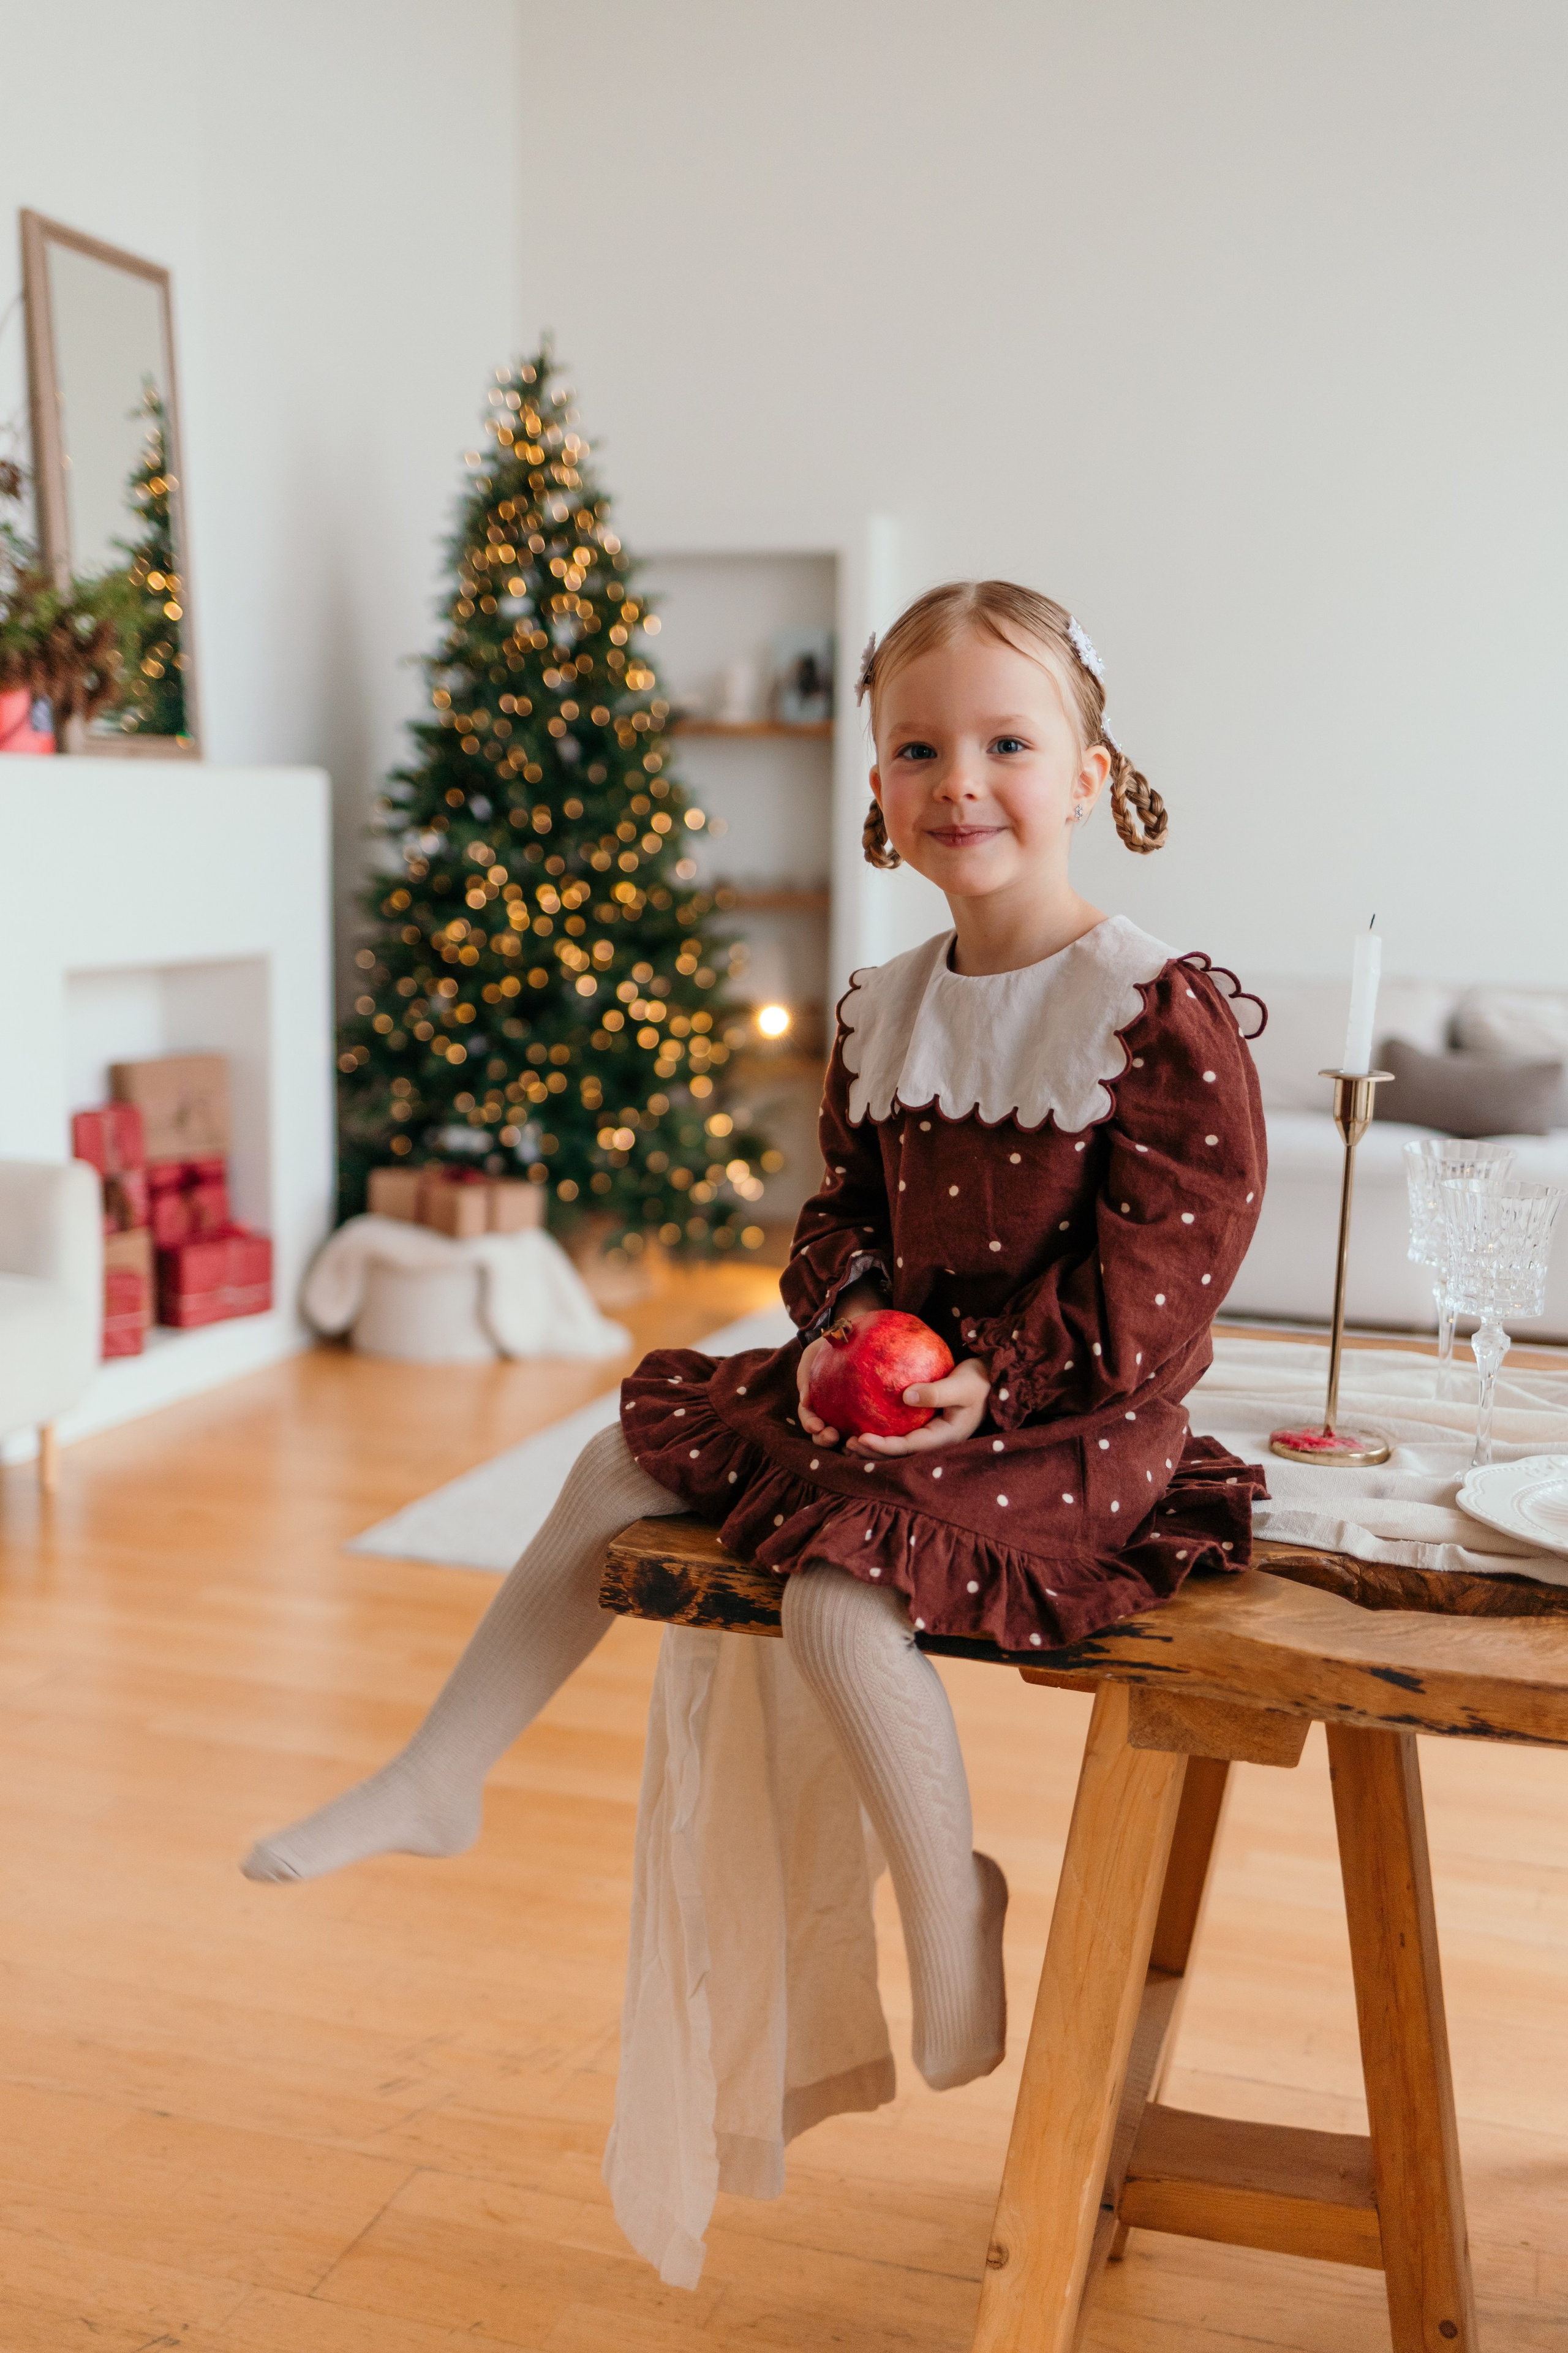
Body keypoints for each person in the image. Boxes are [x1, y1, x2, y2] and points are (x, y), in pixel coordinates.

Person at [243, 577, 1267, 2185]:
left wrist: (995, 1381)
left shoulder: (1149, 1012)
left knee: (838, 1601)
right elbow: (845, 1211)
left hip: (1074, 1418)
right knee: (613, 1462)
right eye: (918, 748)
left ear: (1087, 774)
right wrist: (846, 1324)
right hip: (903, 1390)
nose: (960, 782)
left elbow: (1165, 1276)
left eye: (1007, 743)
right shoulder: (886, 1009)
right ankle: (440, 1774)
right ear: (878, 783)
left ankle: (950, 1903)